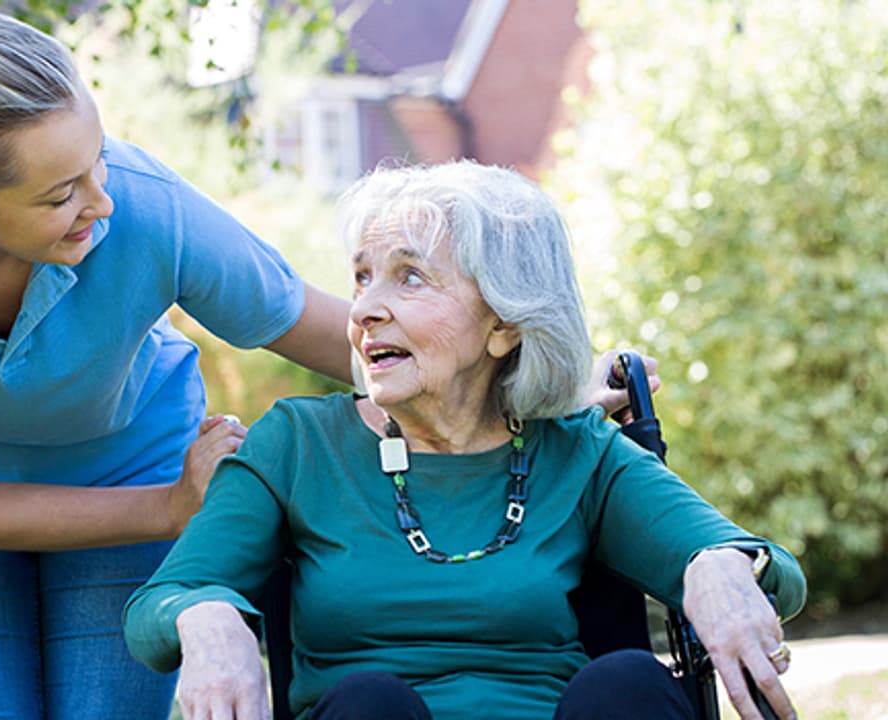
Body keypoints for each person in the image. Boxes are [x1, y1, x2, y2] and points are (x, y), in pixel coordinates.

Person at [0, 10, 359, 719]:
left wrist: (510, 387)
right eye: (61, 195)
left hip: (127, 467)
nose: (102, 201)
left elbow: (327, 332)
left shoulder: (146, 208)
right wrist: (173, 507)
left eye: (99, 160)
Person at [122, 161, 807, 720]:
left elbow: (778, 573)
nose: (362, 309)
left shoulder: (576, 450)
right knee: (369, 704)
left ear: (504, 324)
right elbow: (156, 608)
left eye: (409, 276)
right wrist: (205, 612)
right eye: (362, 276)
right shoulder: (299, 445)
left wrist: (718, 565)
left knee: (629, 686)